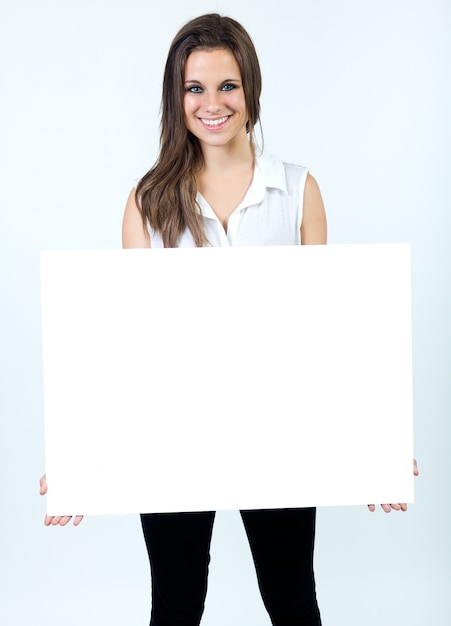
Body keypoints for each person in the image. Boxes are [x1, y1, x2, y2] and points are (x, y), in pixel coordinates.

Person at [40, 13, 419, 626]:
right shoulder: (148, 201)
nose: (211, 104)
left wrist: (371, 447)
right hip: (174, 432)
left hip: (277, 429)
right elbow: (127, 343)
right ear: (176, 97)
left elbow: (324, 333)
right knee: (177, 605)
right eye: (195, 88)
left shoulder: (298, 191)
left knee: (293, 600)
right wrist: (80, 454)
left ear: (251, 92)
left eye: (227, 86)